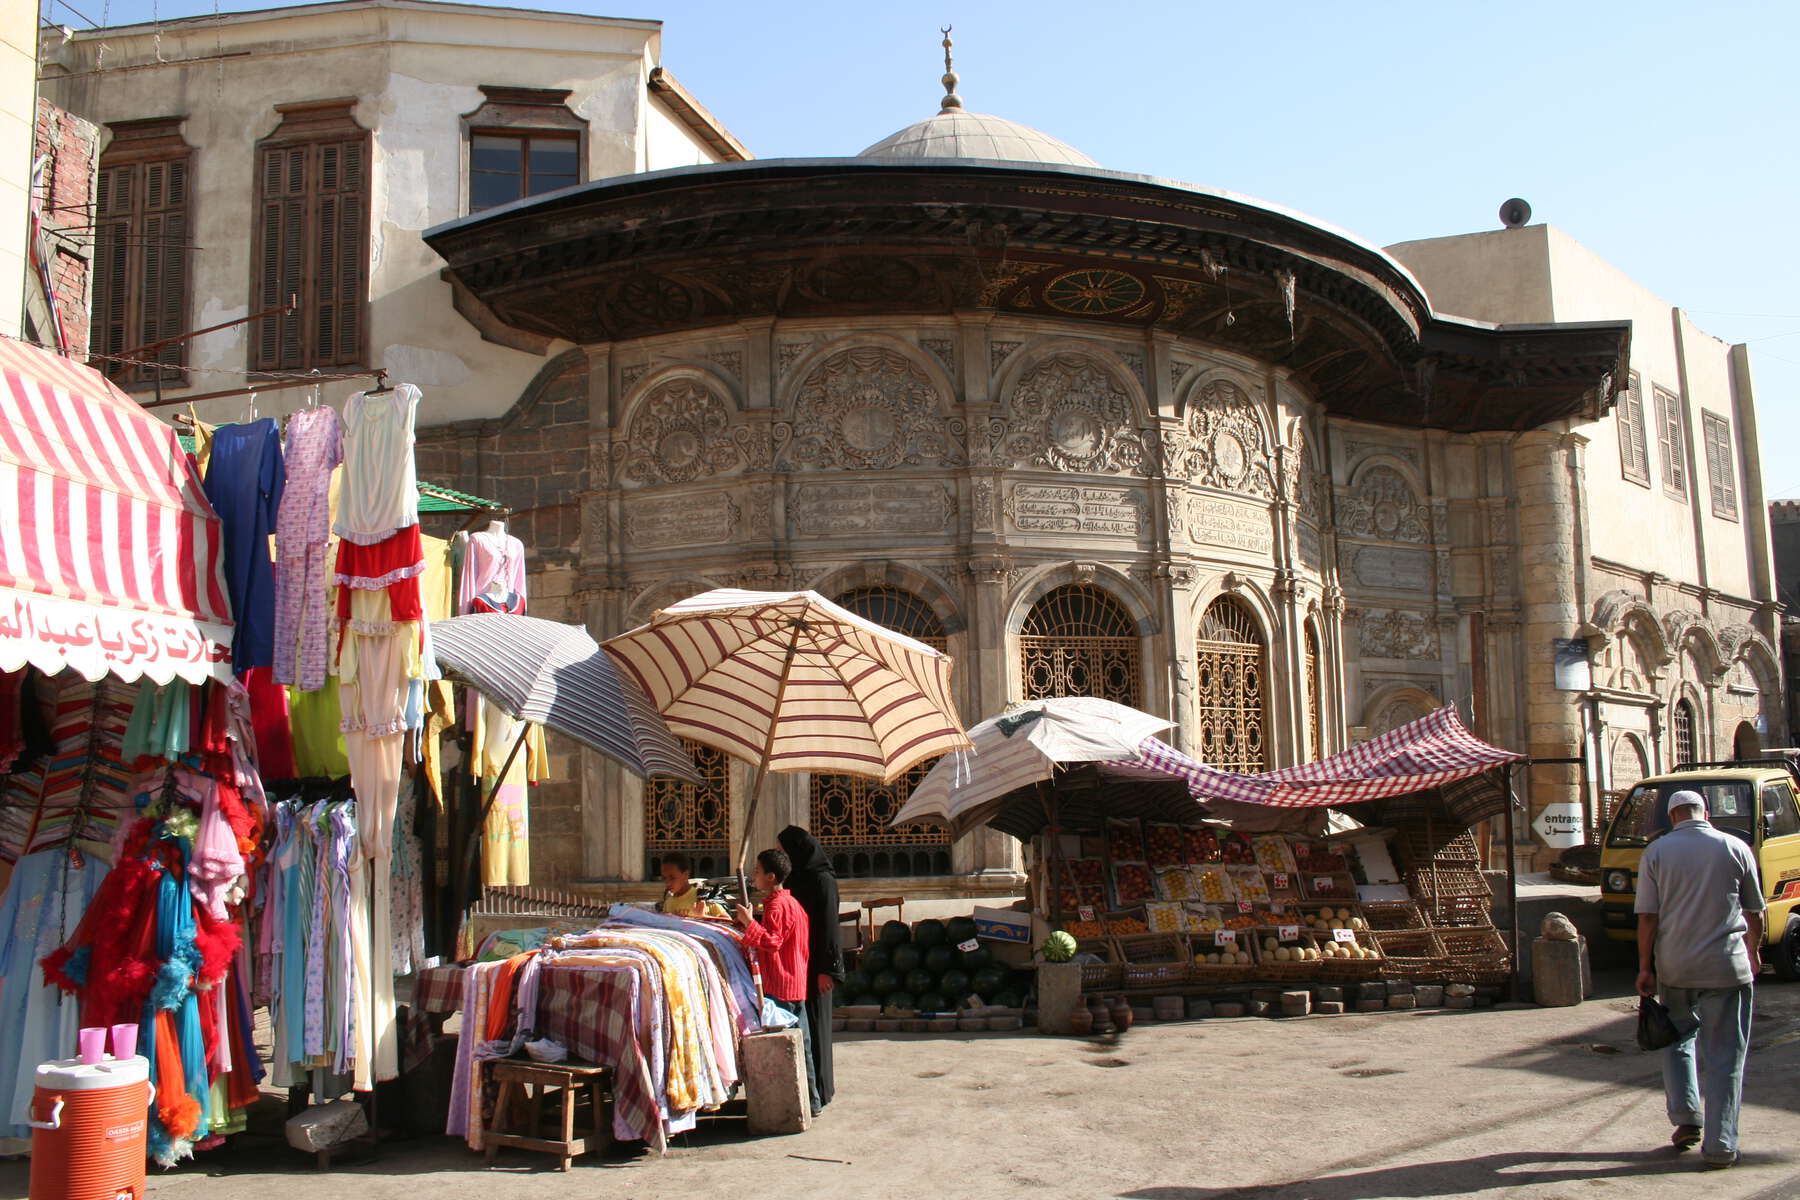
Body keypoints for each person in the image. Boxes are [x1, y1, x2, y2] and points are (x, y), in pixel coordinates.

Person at [1635, 788, 1766, 1169]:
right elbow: (1754, 911)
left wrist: (1646, 968)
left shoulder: (1656, 852)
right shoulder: (1735, 847)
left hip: (1675, 967)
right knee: (1726, 1056)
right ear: (1705, 812)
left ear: (1673, 816)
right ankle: (1721, 1146)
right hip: (1726, 966)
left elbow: (1647, 917)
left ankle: (1686, 1116)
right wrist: (1754, 951)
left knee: (1676, 1039)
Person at [734, 848, 820, 1116]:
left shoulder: (777, 905)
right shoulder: (791, 903)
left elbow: (772, 942)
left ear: (771, 877)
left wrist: (749, 923)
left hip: (781, 985)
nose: (754, 876)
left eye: (758, 872)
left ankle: (797, 1102)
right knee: (801, 1045)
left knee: (786, 1048)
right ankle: (811, 1100)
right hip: (795, 983)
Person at [778, 825, 845, 1109]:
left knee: (818, 1026)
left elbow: (829, 928)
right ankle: (811, 1088)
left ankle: (822, 1088)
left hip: (817, 964)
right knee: (807, 1027)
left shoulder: (823, 881)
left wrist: (827, 970)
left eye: (784, 850)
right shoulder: (797, 879)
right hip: (799, 962)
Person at [655, 852, 724, 917]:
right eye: (664, 878)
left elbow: (727, 921)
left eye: (672, 878)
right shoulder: (668, 903)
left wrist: (703, 918)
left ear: (685, 874)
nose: (667, 883)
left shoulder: (703, 897)